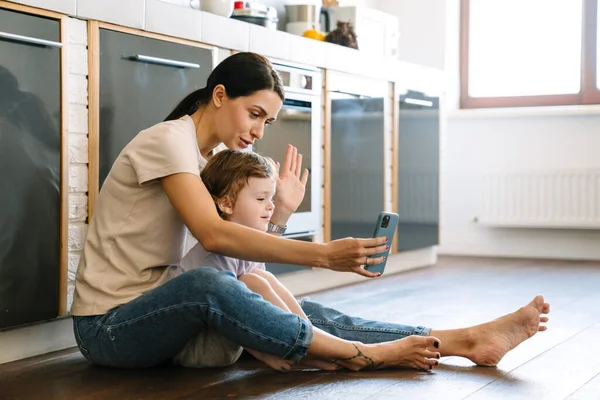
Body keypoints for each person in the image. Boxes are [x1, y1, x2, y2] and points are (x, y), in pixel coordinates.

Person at [71, 52, 550, 372]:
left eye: (268, 120)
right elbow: (214, 239)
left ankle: (461, 341)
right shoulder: (167, 142)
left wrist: (278, 212)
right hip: (111, 327)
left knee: (302, 311)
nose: (260, 131)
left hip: (169, 314)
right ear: (219, 96)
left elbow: (241, 263)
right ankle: (364, 356)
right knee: (211, 286)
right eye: (254, 113)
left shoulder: (211, 162)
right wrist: (322, 254)